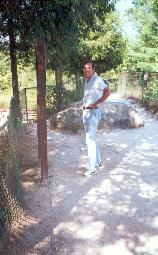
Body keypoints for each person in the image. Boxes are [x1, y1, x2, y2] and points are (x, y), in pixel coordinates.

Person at [82, 60, 111, 176]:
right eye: (84, 68)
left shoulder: (97, 80)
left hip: (93, 113)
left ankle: (92, 168)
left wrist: (97, 103)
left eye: (89, 68)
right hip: (86, 113)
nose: (86, 70)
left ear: (93, 69)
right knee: (92, 139)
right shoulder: (87, 79)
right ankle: (97, 162)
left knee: (90, 141)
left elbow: (108, 92)